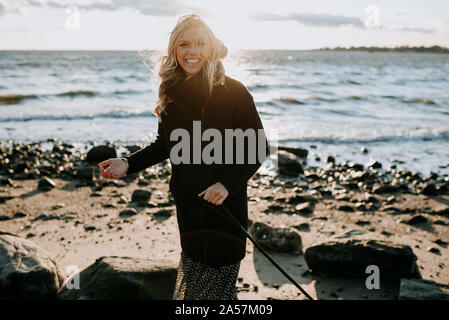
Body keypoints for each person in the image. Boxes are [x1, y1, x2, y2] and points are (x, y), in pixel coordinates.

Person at [98, 13, 269, 300]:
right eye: (185, 44)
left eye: (201, 44)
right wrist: (128, 163)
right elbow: (165, 145)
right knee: (195, 288)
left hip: (225, 209)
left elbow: (258, 147)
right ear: (174, 49)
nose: (193, 52)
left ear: (211, 47)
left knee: (214, 294)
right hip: (188, 209)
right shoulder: (171, 92)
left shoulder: (234, 92)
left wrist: (226, 184)